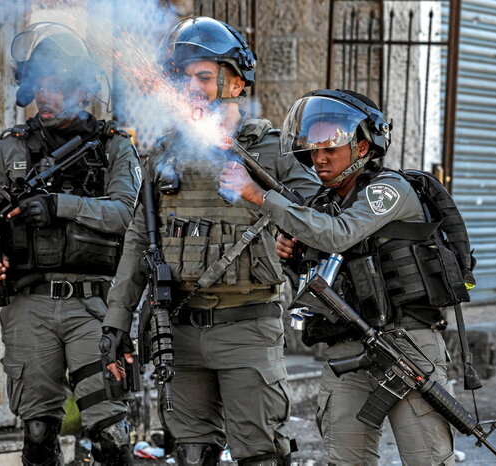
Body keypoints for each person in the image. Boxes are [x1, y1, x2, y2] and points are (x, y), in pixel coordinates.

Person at [102, 16, 321, 466]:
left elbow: (317, 220)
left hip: (247, 328)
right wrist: (116, 322)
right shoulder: (164, 153)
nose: (190, 87)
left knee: (259, 453)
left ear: (236, 84)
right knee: (191, 453)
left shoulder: (273, 152)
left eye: (203, 76)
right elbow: (140, 241)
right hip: (178, 327)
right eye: (183, 78)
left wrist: (261, 192)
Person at [220, 89, 456, 465]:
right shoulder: (321, 205)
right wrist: (295, 254)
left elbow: (338, 234)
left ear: (362, 147)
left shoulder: (388, 190)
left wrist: (261, 197)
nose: (320, 159)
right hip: (349, 349)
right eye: (313, 150)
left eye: (331, 147)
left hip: (407, 343)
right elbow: (321, 277)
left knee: (427, 458)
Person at [0, 22, 140, 465]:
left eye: (57, 85)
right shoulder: (11, 149)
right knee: (39, 432)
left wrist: (60, 205)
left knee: (110, 433)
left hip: (94, 306)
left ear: (82, 90)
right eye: (39, 84)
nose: (45, 95)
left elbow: (125, 215)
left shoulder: (114, 148)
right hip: (29, 305)